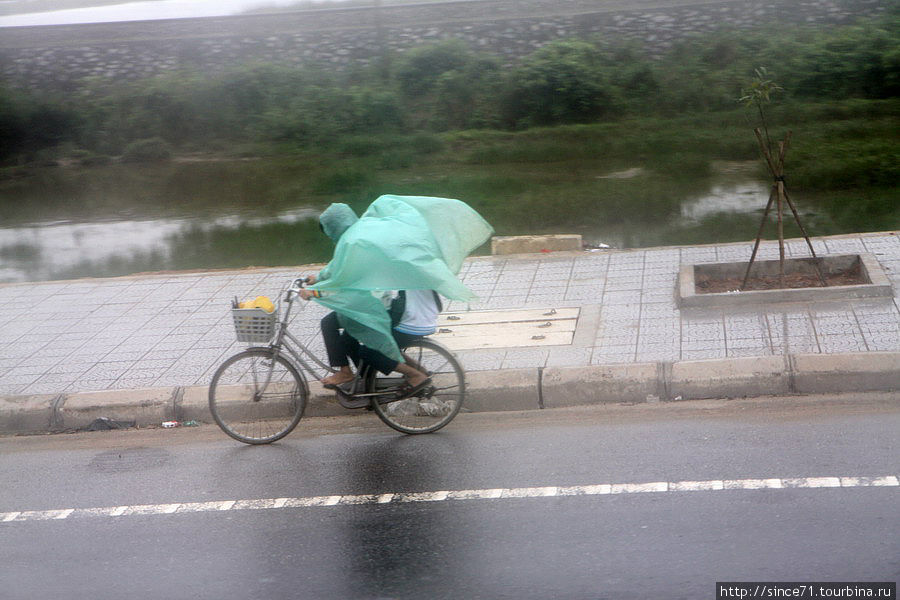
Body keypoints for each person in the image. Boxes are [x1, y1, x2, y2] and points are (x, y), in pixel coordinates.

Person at [298, 195, 492, 396]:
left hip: (410, 317)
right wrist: (319, 278)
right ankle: (378, 380)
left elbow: (345, 277)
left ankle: (412, 375)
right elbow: (343, 267)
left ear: (334, 229)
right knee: (349, 335)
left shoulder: (355, 241)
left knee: (367, 347)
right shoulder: (368, 232)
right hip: (419, 310)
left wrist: (316, 292)